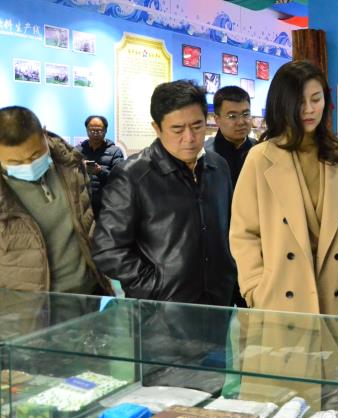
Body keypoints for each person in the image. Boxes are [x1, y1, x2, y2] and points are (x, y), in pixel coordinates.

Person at [230, 60, 338, 316]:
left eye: (316, 99)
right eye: (299, 102)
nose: (309, 109)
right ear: (282, 104)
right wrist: (254, 288)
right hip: (280, 301)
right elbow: (244, 233)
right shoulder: (260, 158)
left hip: (337, 299)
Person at [92, 80, 238, 305]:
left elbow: (229, 229)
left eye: (197, 126)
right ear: (157, 128)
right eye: (177, 129)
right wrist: (154, 287)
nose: (189, 138)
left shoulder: (218, 166)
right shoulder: (133, 175)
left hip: (219, 302)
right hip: (161, 310)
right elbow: (107, 249)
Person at [0, 106, 110, 294]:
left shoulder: (71, 165)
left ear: (44, 134)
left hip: (88, 292)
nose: (29, 165)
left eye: (35, 155)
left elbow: (86, 222)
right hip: (29, 303)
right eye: (15, 163)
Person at [204, 86, 255, 188]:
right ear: (217, 119)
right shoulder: (204, 154)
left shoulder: (259, 149)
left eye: (246, 114)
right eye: (232, 116)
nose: (241, 122)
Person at [78, 115, 125, 216]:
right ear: (86, 130)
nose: (95, 134)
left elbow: (120, 179)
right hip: (83, 204)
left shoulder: (115, 152)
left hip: (106, 205)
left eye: (99, 131)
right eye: (92, 130)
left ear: (106, 130)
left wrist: (100, 171)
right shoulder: (78, 150)